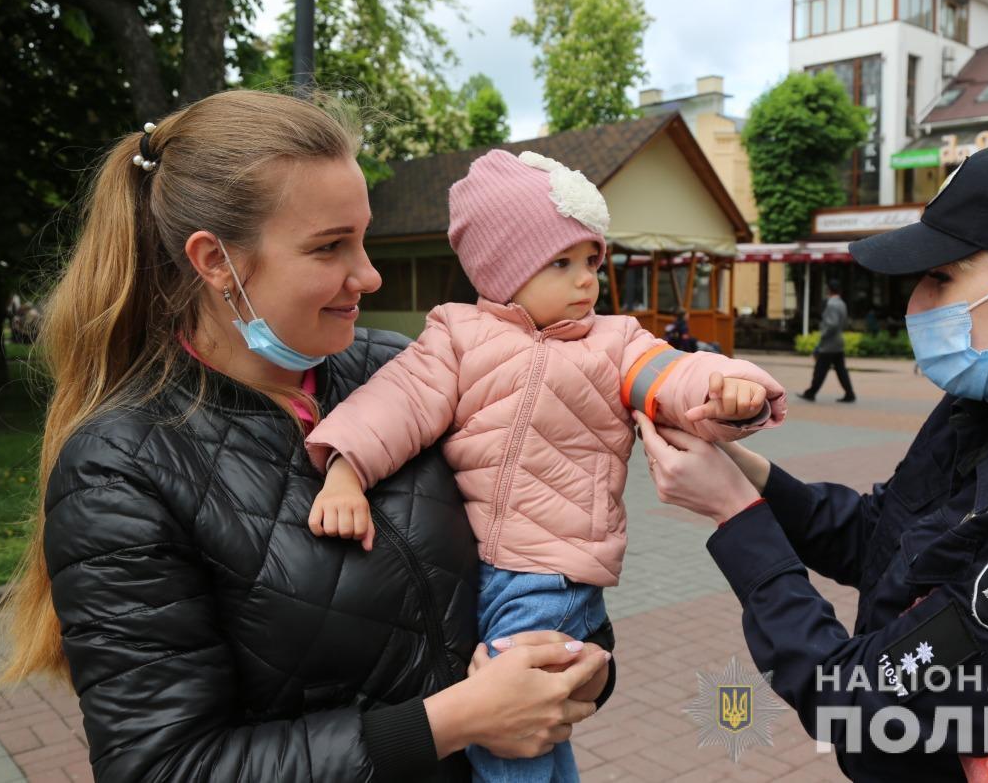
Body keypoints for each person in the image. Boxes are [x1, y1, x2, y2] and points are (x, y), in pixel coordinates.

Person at [0, 90, 621, 783]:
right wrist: (454, 720)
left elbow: (527, 553)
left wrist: (580, 660)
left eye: (363, 237)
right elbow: (164, 766)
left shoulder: (401, 371)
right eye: (330, 247)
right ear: (214, 261)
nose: (369, 274)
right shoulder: (122, 470)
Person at [633, 137, 988, 780]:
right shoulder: (982, 412)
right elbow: (880, 537)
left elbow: (859, 705)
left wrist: (736, 517)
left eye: (941, 277)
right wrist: (744, 469)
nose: (914, 306)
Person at [302, 148, 787, 782]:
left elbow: (674, 375)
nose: (586, 279)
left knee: (509, 716)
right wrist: (345, 470)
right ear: (502, 270)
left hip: (551, 573)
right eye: (561, 263)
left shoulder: (615, 344)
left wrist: (729, 386)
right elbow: (397, 403)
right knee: (540, 727)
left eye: (591, 260)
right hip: (478, 569)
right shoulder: (456, 336)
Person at [799, 278, 856, 403]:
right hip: (838, 341)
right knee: (841, 370)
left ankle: (811, 393)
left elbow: (832, 324)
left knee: (820, 369)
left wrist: (822, 338)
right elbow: (844, 322)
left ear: (829, 290)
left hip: (829, 343)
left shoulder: (831, 304)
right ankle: (849, 393)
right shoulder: (842, 303)